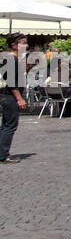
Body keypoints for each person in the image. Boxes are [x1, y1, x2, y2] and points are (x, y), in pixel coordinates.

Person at [0, 34, 29, 164]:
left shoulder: (13, 59)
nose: (26, 45)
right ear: (14, 45)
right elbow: (11, 82)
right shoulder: (11, 59)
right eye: (23, 43)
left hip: (7, 96)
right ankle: (3, 155)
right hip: (9, 96)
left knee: (5, 126)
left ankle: (2, 153)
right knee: (10, 126)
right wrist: (19, 99)